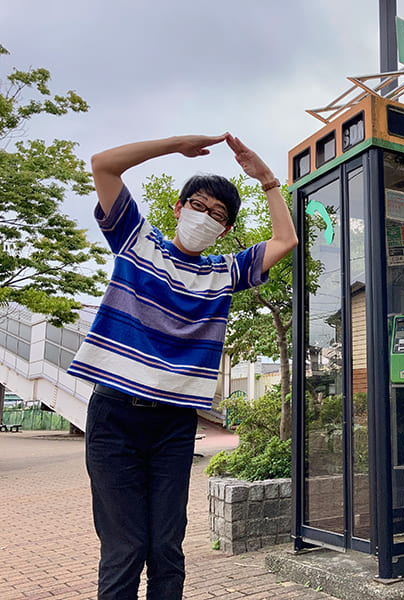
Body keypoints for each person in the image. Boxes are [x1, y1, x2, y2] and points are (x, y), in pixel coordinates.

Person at [67, 133, 297, 600]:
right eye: (198, 205)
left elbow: (284, 239)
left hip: (173, 425)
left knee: (167, 549)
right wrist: (177, 146)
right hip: (114, 418)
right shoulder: (137, 243)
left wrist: (267, 179)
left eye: (217, 215)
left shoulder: (223, 272)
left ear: (226, 230)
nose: (204, 217)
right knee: (124, 548)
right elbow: (104, 165)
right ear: (177, 207)